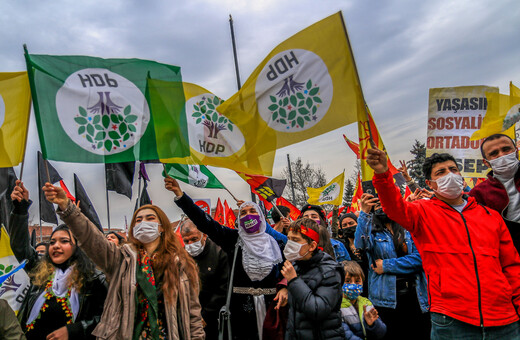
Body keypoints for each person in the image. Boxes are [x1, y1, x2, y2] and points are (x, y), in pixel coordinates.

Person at [366, 147, 520, 338]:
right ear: (431, 184)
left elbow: (512, 266)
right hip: (452, 318)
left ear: (461, 177)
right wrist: (382, 174)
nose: (450, 175)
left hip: (504, 318)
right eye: (441, 172)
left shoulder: (491, 216)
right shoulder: (421, 212)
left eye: (453, 170)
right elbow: (394, 207)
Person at [42, 182, 205, 340]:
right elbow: (92, 239)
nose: (143, 223)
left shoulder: (181, 264)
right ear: (133, 228)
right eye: (138, 220)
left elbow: (192, 313)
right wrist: (67, 207)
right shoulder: (121, 259)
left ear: (162, 227)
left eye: (150, 218)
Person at [164, 175, 287, 340]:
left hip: (273, 308)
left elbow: (291, 270)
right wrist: (180, 195)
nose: (248, 215)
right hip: (242, 313)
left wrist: (285, 287)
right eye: (243, 213)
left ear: (261, 216)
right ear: (238, 219)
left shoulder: (276, 243)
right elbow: (206, 223)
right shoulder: (233, 239)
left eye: (252, 211)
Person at [10, 181, 108, 340]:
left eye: (64, 241)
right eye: (53, 242)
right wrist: (20, 209)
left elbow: (106, 318)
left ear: (77, 247)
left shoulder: (93, 279)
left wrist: (75, 330)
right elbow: (20, 246)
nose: (56, 246)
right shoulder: (40, 271)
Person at [355, 193, 430, 339]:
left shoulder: (408, 227)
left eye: (384, 203)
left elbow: (421, 259)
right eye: (376, 205)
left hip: (416, 295)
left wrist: (387, 265)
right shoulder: (371, 232)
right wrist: (364, 213)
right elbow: (360, 244)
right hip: (386, 300)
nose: (381, 208)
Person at [281, 218, 345, 339]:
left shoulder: (329, 271)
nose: (289, 244)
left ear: (311, 246)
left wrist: (294, 281)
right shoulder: (296, 265)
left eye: (295, 240)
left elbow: (317, 309)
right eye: (289, 239)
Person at [469, 133, 520, 252]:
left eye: (506, 149)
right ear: (486, 162)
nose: (501, 155)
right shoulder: (478, 194)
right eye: (494, 153)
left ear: (516, 151)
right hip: (510, 257)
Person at [180, 219, 229, 340]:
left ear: (204, 235)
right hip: (188, 316)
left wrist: (205, 315)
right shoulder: (181, 256)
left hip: (213, 316)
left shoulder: (219, 252)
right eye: (186, 241)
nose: (190, 244)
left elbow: (223, 288)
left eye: (194, 239)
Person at [341, 261, 386, 340]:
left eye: (357, 281)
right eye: (348, 281)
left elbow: (381, 332)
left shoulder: (366, 303)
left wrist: (372, 324)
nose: (353, 285)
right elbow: (345, 334)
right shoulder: (338, 306)